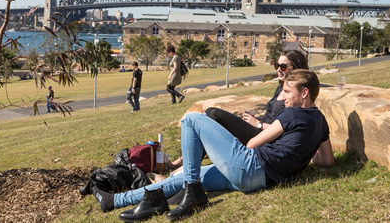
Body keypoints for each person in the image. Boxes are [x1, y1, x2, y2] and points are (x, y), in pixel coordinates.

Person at [92, 69, 335, 222]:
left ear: (304, 93)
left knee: (192, 119)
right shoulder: (321, 121)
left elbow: (252, 143)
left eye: (287, 91)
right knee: (184, 177)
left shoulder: (292, 114)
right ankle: (114, 202)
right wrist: (300, 150)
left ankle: (193, 193)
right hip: (263, 180)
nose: (282, 97)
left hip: (250, 166)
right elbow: (327, 161)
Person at [205, 49, 309, 145]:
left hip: (266, 138)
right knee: (209, 112)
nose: (278, 70)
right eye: (276, 65)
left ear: (296, 68)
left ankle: (193, 163)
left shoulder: (297, 96)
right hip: (259, 129)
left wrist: (258, 124)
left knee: (215, 115)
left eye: (283, 66)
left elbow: (287, 129)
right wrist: (254, 119)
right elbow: (270, 116)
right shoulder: (280, 88)